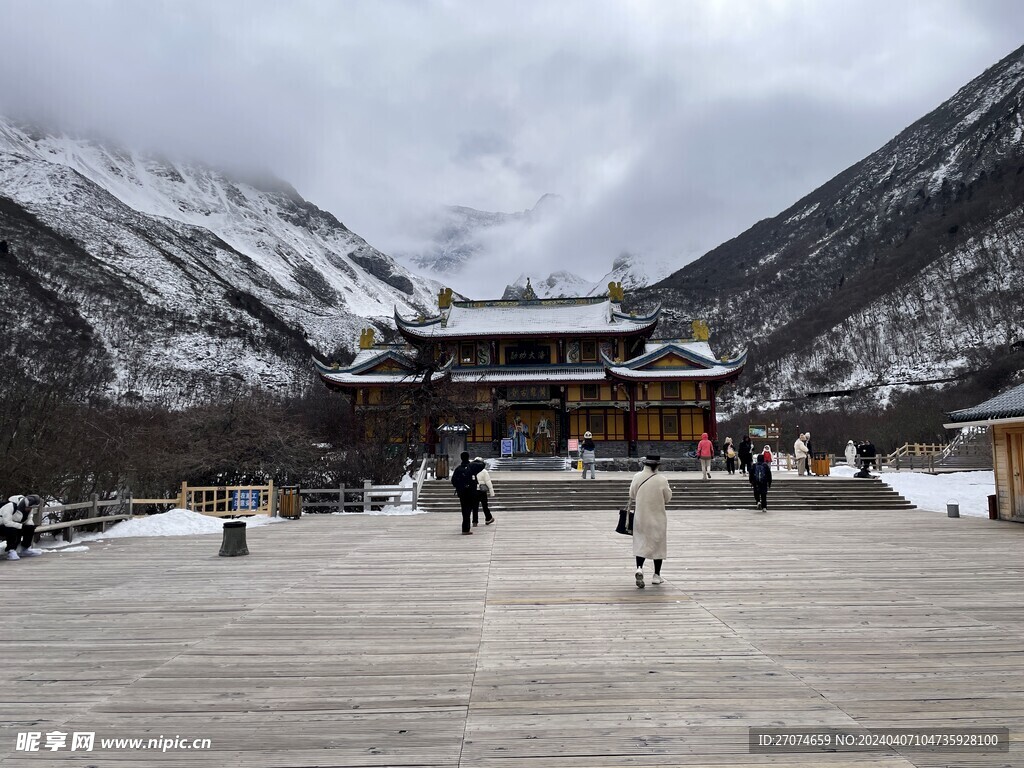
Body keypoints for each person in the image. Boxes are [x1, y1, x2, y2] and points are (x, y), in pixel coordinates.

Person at [630, 455, 673, 588]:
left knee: (641, 543)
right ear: (657, 465)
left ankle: (639, 568)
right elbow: (668, 498)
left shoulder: (637, 476)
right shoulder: (662, 480)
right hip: (657, 517)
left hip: (641, 517)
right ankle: (656, 575)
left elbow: (632, 494)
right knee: (658, 545)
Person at [0, 494, 43, 560]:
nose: (30, 509)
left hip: (15, 524)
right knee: (12, 530)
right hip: (3, 525)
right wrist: (21, 526)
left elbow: (28, 519)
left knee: (30, 528)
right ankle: (11, 551)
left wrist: (30, 526)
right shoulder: (10, 506)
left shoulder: (28, 509)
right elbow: (7, 522)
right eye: (29, 507)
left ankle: (25, 549)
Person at [450, 452, 479, 535]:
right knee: (469, 509)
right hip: (471, 492)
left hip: (462, 492)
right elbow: (482, 465)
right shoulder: (471, 468)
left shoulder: (458, 469)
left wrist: (459, 486)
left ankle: (465, 527)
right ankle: (466, 528)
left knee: (464, 509)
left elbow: (453, 481)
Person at [470, 457, 496, 527]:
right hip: (482, 491)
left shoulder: (471, 470)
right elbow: (488, 482)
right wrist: (491, 492)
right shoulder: (484, 471)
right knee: (485, 506)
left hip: (474, 490)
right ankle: (488, 518)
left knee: (475, 507)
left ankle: (474, 521)